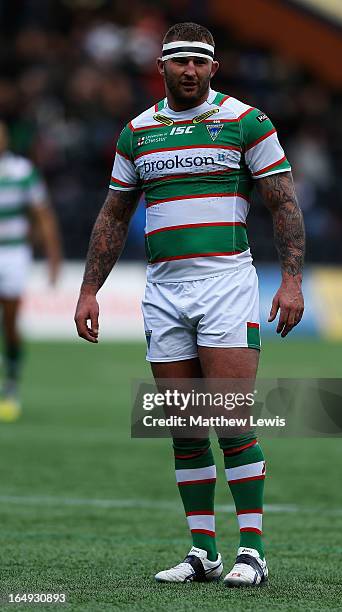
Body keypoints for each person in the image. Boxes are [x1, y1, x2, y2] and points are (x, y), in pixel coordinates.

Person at [75, 22, 305, 586]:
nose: (189, 71)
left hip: (225, 283)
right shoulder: (138, 132)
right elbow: (112, 216)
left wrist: (293, 280)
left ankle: (252, 549)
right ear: (162, 67)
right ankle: (204, 551)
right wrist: (88, 289)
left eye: (199, 62)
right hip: (164, 290)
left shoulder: (247, 122)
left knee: (228, 418)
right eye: (179, 62)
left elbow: (284, 205)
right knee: (183, 426)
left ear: (213, 67)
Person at [0, 121, 61, 422]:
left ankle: (10, 386)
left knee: (9, 323)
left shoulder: (21, 171)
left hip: (11, 254)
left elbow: (43, 215)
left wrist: (53, 259)